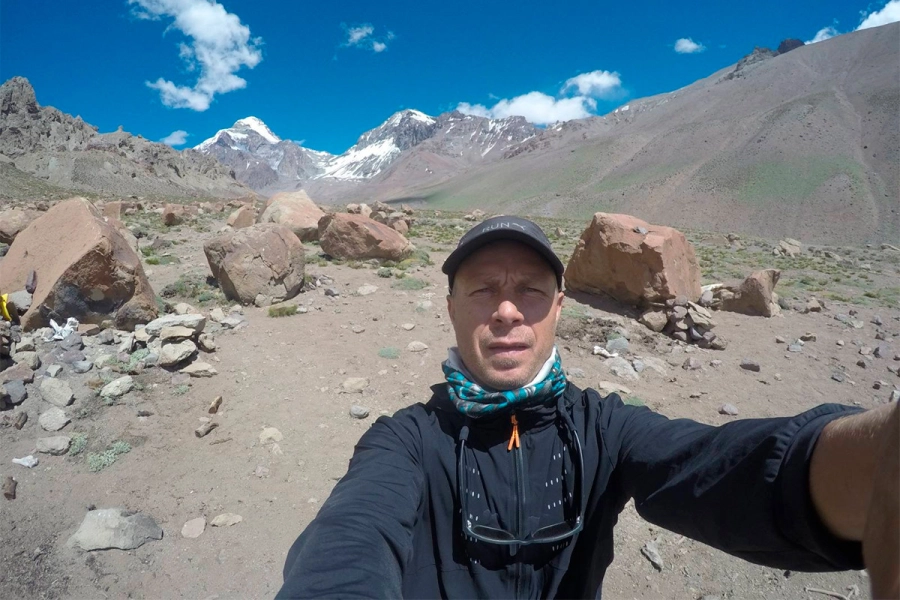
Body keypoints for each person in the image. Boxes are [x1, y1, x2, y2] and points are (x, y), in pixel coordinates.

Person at [278, 216, 899, 599]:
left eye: (530, 290)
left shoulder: (604, 427)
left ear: (558, 308)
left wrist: (879, 464)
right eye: (484, 290)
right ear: (450, 308)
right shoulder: (405, 441)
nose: (507, 310)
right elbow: (347, 544)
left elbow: (722, 471)